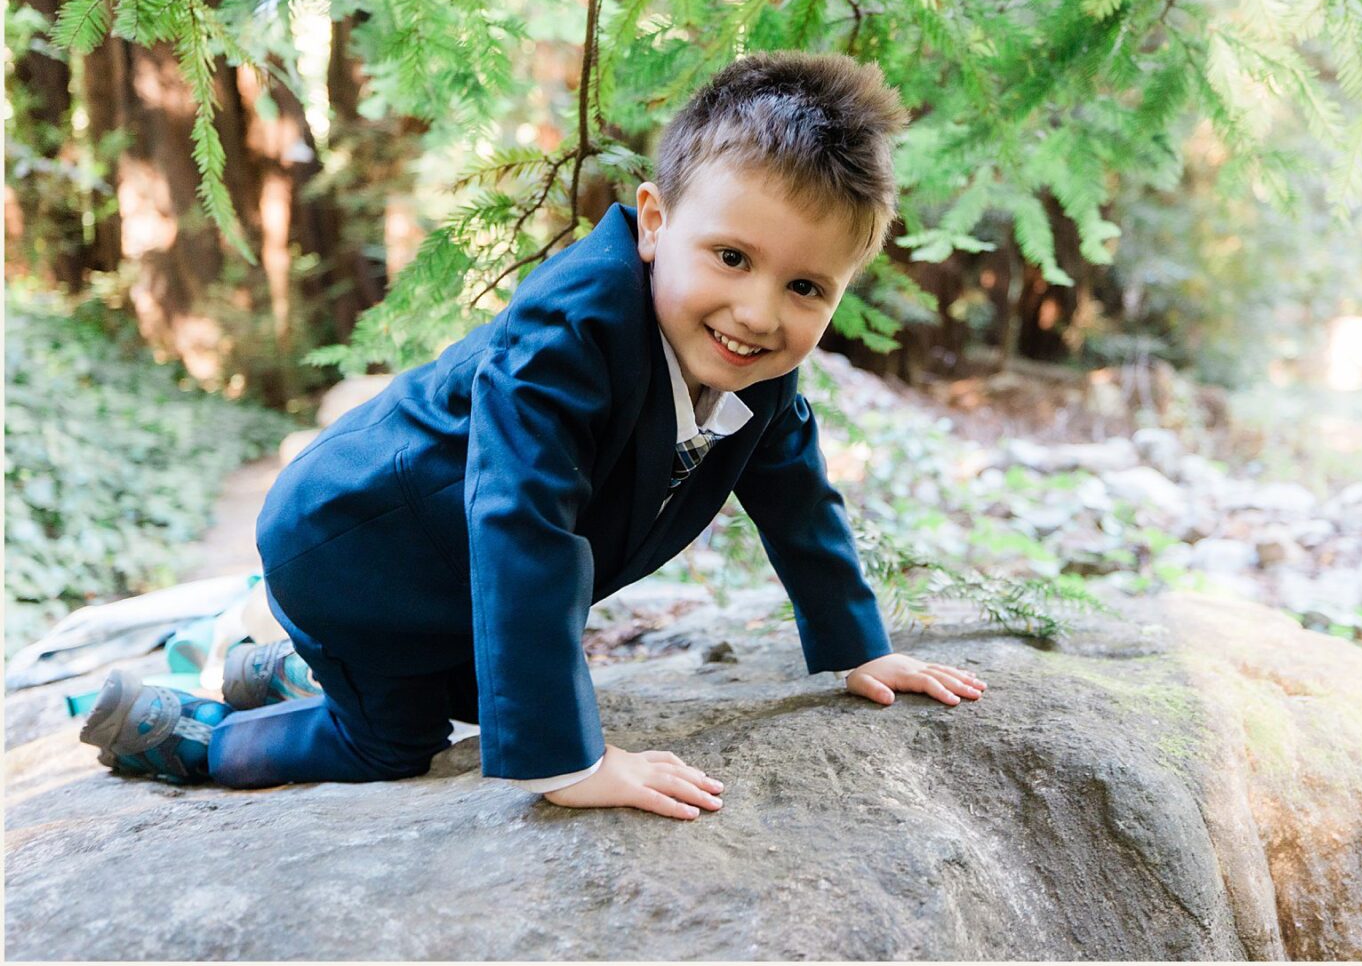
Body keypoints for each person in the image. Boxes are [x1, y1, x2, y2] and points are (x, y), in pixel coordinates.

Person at [80, 51, 988, 820]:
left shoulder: (755, 364)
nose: (758, 312)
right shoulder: (570, 331)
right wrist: (568, 765)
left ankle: (282, 670)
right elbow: (521, 517)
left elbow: (795, 491)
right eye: (733, 258)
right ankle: (188, 734)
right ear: (656, 222)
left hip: (445, 562)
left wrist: (858, 646)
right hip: (356, 547)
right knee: (393, 740)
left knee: (486, 691)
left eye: (806, 289)